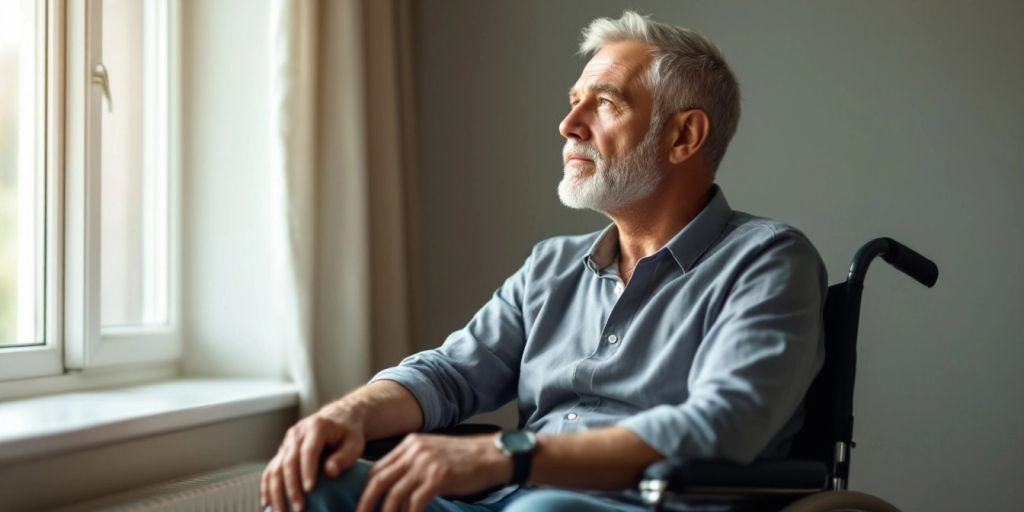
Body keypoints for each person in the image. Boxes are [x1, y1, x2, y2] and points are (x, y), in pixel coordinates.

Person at [262, 10, 826, 512]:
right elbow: (449, 374)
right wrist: (345, 416)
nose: (569, 125)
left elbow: (720, 426)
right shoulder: (551, 265)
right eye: (573, 101)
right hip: (503, 498)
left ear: (684, 135)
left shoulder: (768, 261)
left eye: (603, 103)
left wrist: (513, 453)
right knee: (311, 487)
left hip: (626, 504)